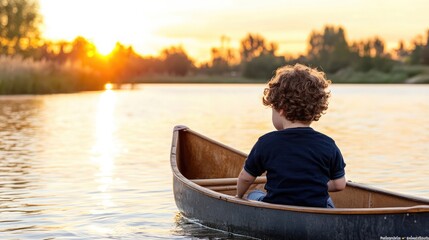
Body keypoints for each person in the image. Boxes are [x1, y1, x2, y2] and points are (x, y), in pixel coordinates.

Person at [235, 63, 346, 208]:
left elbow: (245, 178)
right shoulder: (328, 144)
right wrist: (314, 185)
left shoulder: (266, 143)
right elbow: (339, 184)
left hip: (277, 208)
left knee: (254, 194)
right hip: (317, 211)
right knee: (327, 201)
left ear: (280, 110)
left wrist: (239, 196)